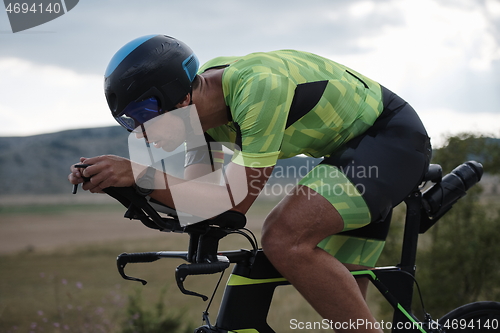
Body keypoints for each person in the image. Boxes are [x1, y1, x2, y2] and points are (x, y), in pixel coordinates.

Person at [68, 34, 431, 332]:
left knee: (283, 238)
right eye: (129, 123)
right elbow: (199, 202)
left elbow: (230, 204)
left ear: (179, 99)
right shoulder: (200, 110)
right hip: (345, 154)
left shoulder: (258, 90)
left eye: (143, 117)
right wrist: (119, 183)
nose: (140, 134)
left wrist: (139, 173)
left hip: (389, 139)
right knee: (349, 321)